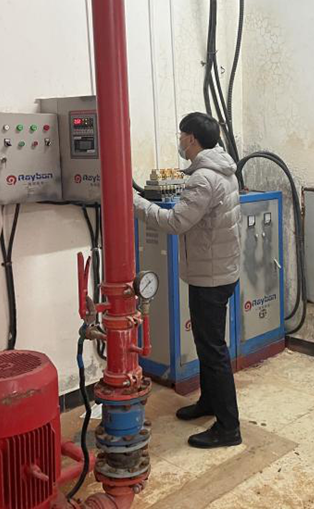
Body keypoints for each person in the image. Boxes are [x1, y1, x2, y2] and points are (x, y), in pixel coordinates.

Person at [133, 112, 242, 449]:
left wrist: (133, 203)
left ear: (191, 138)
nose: (179, 141)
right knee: (208, 345)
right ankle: (209, 402)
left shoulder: (204, 179)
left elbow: (175, 222)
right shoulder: (222, 170)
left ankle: (228, 428)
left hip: (210, 277)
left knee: (213, 350)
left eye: (182, 135)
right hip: (220, 270)